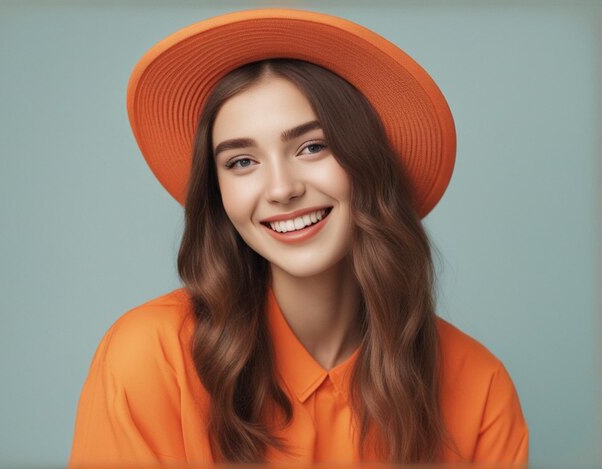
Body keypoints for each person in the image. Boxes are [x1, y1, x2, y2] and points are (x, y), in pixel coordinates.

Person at [69, 8, 528, 467]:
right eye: (241, 161)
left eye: (312, 147)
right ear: (219, 192)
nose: (282, 189)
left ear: (368, 163)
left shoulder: (479, 387)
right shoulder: (152, 356)